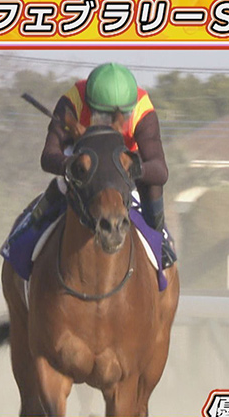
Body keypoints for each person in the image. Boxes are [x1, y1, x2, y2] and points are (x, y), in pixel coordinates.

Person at [23, 62, 175, 268]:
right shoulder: (73, 100)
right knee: (63, 184)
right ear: (90, 104)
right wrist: (72, 165)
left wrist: (130, 167)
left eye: (118, 117)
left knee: (154, 185)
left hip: (124, 164)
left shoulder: (143, 109)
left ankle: (159, 241)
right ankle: (29, 231)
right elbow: (49, 156)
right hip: (86, 162)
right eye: (102, 116)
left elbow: (160, 170)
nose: (109, 122)